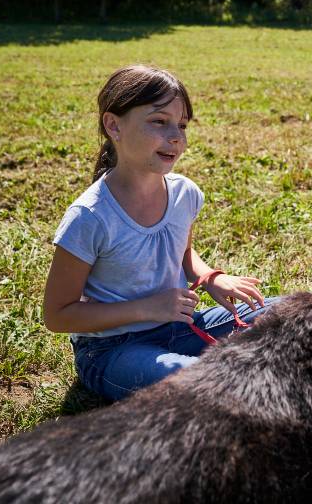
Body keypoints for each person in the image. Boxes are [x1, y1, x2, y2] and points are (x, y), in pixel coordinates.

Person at [43, 65, 269, 402]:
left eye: (181, 125)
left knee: (298, 316)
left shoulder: (184, 194)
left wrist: (211, 278)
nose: (176, 137)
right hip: (113, 350)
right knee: (208, 385)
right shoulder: (90, 217)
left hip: (184, 326)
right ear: (113, 125)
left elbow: (185, 256)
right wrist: (149, 308)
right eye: (159, 122)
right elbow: (58, 315)